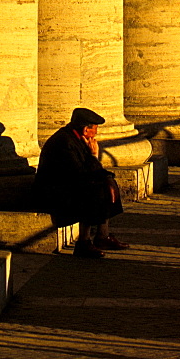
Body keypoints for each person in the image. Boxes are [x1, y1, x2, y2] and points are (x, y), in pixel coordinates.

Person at [34, 107, 129, 259]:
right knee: (93, 191)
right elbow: (79, 173)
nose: (96, 133)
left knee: (106, 184)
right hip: (54, 191)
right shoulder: (65, 142)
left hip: (68, 184)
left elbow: (88, 172)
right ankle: (83, 243)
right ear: (86, 129)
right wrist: (93, 155)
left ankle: (102, 236)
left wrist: (107, 178)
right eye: (95, 129)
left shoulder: (75, 138)